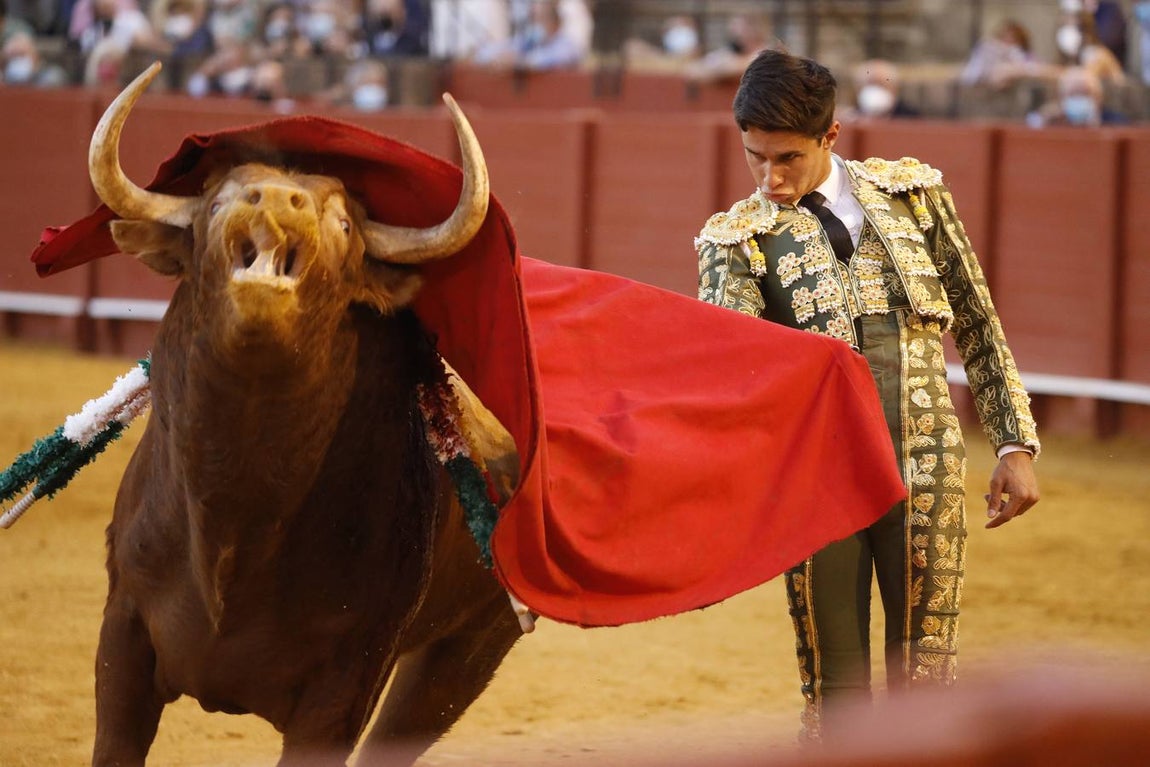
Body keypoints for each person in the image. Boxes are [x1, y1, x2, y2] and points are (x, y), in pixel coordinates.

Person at [695, 49, 1041, 742]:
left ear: (832, 136)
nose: (771, 178)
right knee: (836, 690)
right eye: (755, 157)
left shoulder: (914, 195)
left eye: (787, 157)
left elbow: (975, 317)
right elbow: (726, 365)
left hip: (928, 464)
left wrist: (1014, 441)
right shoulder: (734, 239)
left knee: (928, 678)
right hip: (817, 478)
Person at [1027, 64, 1129, 126]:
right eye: (1073, 94)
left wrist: (1096, 125)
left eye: (1085, 93)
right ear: (1062, 98)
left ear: (1099, 97)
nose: (1079, 99)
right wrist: (1043, 117)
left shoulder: (1115, 121)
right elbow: (1030, 126)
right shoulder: (1055, 119)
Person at [849, 59, 919, 118]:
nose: (875, 91)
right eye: (871, 84)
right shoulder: (851, 118)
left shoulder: (911, 118)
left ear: (894, 88)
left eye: (880, 84)